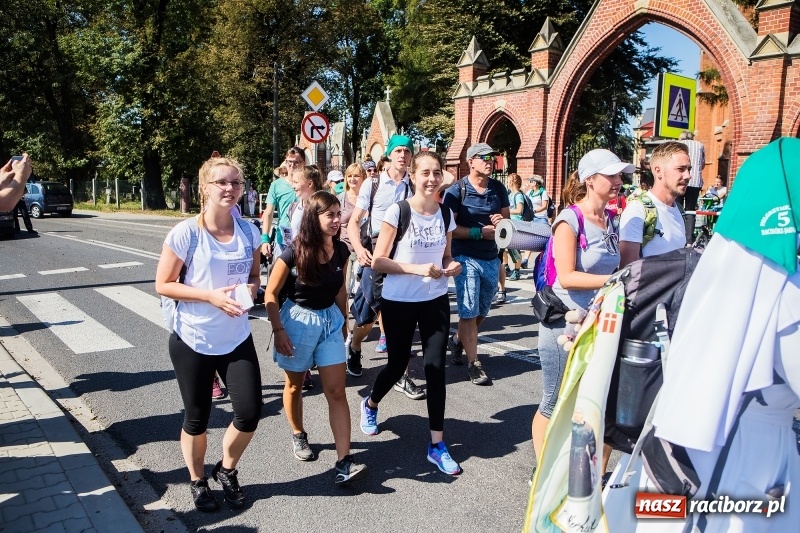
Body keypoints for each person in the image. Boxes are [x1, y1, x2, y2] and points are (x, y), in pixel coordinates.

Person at [155, 155, 263, 512]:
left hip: (235, 335)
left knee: (249, 412)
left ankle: (226, 470)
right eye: (222, 182)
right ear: (204, 188)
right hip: (194, 338)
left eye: (236, 182)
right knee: (197, 417)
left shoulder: (250, 231)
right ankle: (198, 480)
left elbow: (253, 277)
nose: (230, 188)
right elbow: (164, 284)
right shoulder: (186, 232)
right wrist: (210, 297)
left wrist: (249, 292)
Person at [359, 150, 462, 474]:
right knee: (398, 363)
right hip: (399, 301)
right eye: (425, 173)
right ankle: (371, 403)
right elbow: (378, 260)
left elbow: (446, 257)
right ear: (414, 176)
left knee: (435, 369)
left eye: (436, 172)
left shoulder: (446, 215)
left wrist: (452, 266)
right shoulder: (398, 211)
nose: (431, 179)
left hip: (435, 299)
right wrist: (417, 268)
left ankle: (436, 444)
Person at [531, 149, 629, 473]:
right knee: (554, 401)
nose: (618, 181)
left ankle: (583, 473)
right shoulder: (569, 220)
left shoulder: (611, 219)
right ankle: (543, 471)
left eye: (619, 175)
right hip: (565, 325)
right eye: (611, 175)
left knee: (591, 401)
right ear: (590, 180)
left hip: (599, 325)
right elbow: (568, 275)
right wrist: (614, 279)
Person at [265, 191, 368, 485]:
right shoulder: (293, 252)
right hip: (296, 322)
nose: (337, 221)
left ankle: (344, 459)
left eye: (339, 214)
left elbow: (339, 289)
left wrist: (344, 319)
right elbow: (271, 294)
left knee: (336, 390)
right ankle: (298, 434)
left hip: (330, 322)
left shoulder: (342, 251)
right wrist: (278, 330)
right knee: (294, 384)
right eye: (330, 215)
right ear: (315, 218)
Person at [346, 135, 425, 400]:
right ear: (390, 154)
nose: (403, 155)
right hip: (376, 252)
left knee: (396, 317)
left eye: (407, 151)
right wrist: (359, 250)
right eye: (398, 150)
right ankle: (355, 346)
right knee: (367, 318)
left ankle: (402, 376)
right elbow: (354, 222)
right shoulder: (373, 183)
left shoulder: (413, 185)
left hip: (401, 254)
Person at [441, 142, 510, 385]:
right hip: (464, 257)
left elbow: (507, 226)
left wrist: (501, 221)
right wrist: (479, 233)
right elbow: (449, 230)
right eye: (484, 157)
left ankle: (459, 339)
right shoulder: (456, 191)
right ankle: (474, 363)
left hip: (490, 257)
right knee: (468, 308)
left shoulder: (499, 188)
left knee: (482, 309)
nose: (490, 161)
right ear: (470, 162)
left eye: (493, 157)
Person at [619, 141, 690, 267]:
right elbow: (627, 274)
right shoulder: (638, 209)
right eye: (681, 169)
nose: (688, 176)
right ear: (658, 171)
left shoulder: (679, 210)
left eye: (689, 169)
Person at [261, 146, 304, 259]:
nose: (292, 165)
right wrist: (265, 239)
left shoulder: (309, 184)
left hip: (304, 241)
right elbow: (269, 213)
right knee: (280, 276)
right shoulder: (276, 185)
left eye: (296, 162)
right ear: (285, 162)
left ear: (303, 163)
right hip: (282, 240)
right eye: (289, 162)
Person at [678, 130, 705, 242]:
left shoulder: (678, 145)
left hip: (680, 180)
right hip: (695, 182)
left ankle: (678, 235)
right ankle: (689, 240)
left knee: (677, 208)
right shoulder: (700, 145)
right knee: (690, 210)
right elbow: (702, 164)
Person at [505, 173, 525, 281]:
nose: (507, 183)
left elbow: (519, 210)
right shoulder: (510, 195)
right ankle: (506, 267)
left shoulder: (518, 195)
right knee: (505, 247)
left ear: (512, 182)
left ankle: (516, 271)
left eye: (508, 181)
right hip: (509, 224)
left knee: (515, 249)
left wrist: (506, 211)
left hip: (517, 225)